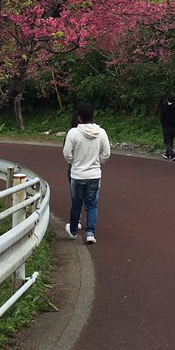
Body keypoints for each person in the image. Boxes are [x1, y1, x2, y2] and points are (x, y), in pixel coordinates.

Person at [63, 103, 111, 244]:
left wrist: (74, 162)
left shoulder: (73, 133)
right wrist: (97, 162)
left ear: (79, 117)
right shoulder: (101, 132)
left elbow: (67, 153)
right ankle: (90, 233)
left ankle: (73, 231)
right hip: (94, 174)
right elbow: (106, 153)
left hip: (77, 174)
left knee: (76, 204)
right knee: (92, 204)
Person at [159, 96, 175, 160]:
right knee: (171, 141)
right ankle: (167, 154)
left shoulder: (164, 108)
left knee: (167, 141)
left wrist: (163, 125)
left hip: (166, 126)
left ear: (167, 100)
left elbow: (162, 118)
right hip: (174, 126)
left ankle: (172, 154)